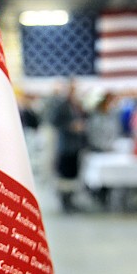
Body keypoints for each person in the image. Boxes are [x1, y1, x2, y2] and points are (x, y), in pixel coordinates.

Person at [50, 80, 88, 213]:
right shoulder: (62, 106)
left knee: (73, 174)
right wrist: (70, 126)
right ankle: (64, 201)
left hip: (76, 145)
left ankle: (71, 200)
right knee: (64, 174)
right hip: (65, 145)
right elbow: (54, 121)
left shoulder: (77, 106)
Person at [86, 91, 121, 209]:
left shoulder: (112, 116)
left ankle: (107, 195)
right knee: (98, 177)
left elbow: (115, 132)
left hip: (109, 149)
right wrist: (103, 146)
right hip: (98, 150)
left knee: (111, 175)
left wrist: (111, 145)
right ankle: (98, 195)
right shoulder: (95, 117)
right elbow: (94, 134)